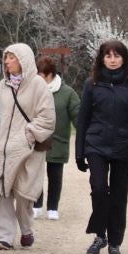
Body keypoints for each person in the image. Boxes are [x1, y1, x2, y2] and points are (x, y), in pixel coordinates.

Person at [76, 39, 128, 254]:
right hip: (96, 144)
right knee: (98, 188)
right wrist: (79, 152)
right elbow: (83, 119)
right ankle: (99, 235)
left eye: (117, 56)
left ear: (124, 58)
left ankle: (115, 241)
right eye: (108, 56)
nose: (112, 60)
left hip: (124, 147)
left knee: (118, 196)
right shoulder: (92, 84)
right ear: (101, 58)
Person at [0, 42, 54, 250]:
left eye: (11, 57)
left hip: (28, 149)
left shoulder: (38, 85)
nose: (7, 62)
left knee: (24, 193)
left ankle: (26, 229)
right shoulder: (2, 86)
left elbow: (47, 118)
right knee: (4, 191)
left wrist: (29, 134)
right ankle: (4, 237)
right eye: (6, 58)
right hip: (3, 149)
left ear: (23, 59)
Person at [32, 55, 75, 220]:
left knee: (55, 175)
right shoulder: (33, 90)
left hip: (58, 140)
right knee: (36, 174)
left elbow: (77, 114)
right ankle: (36, 204)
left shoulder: (67, 93)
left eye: (42, 74)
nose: (39, 78)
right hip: (37, 139)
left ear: (50, 74)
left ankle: (53, 207)